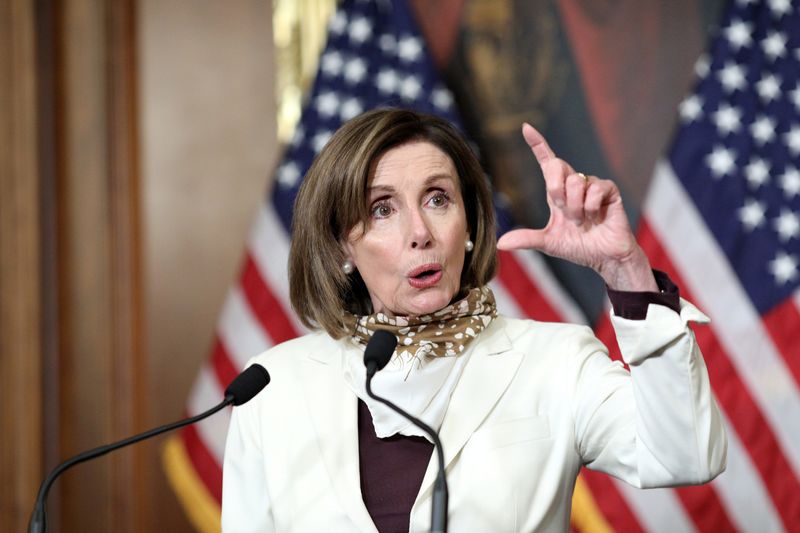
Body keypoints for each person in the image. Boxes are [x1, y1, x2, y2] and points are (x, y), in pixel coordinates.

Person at [221, 108, 727, 532]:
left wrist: (625, 269)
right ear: (340, 249)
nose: (420, 231)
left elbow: (685, 454)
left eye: (437, 199)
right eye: (382, 209)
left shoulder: (556, 361)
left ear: (468, 224)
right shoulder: (271, 389)